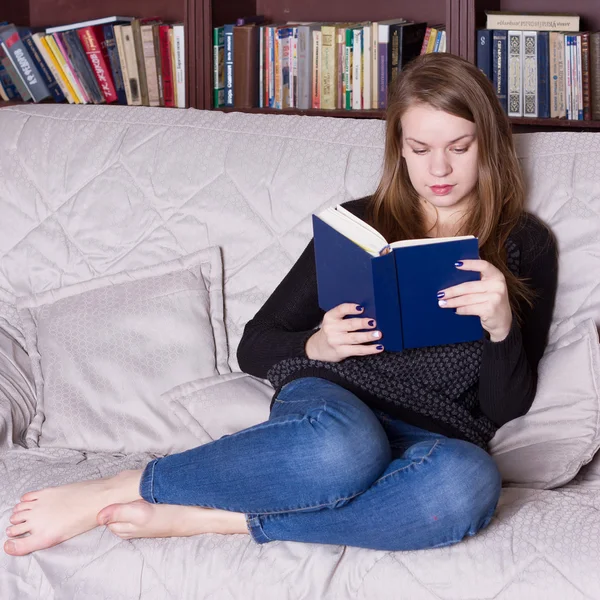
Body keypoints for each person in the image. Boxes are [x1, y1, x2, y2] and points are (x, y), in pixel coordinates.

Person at [4, 52, 557, 557]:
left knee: (469, 484)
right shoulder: (356, 224)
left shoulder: (523, 243)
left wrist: (503, 326)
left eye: (459, 148)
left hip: (436, 435)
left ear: (489, 143)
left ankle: (223, 521)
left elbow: (505, 408)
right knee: (343, 450)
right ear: (398, 148)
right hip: (334, 414)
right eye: (420, 149)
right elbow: (256, 344)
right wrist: (319, 344)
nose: (439, 170)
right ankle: (126, 484)